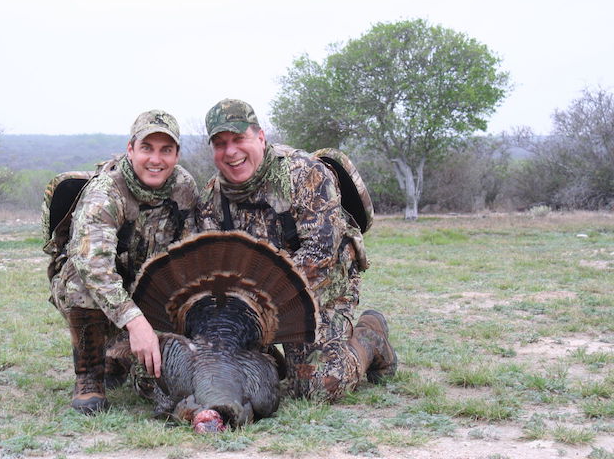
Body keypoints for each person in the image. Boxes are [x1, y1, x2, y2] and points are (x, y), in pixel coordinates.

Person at [195, 98, 397, 401]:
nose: (231, 152)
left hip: (324, 287)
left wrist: (261, 308)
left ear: (260, 137)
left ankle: (370, 337)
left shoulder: (305, 174)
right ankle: (277, 357)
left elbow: (320, 254)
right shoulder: (212, 194)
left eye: (239, 139)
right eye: (220, 143)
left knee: (317, 387)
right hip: (256, 301)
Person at [46, 110, 198, 414]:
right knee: (79, 279)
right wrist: (136, 321)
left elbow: (191, 252)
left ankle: (118, 355)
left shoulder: (184, 187)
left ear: (177, 154)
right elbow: (94, 266)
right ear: (131, 149)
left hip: (151, 286)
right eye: (147, 148)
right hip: (103, 288)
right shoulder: (106, 192)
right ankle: (89, 376)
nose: (156, 159)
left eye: (166, 150)